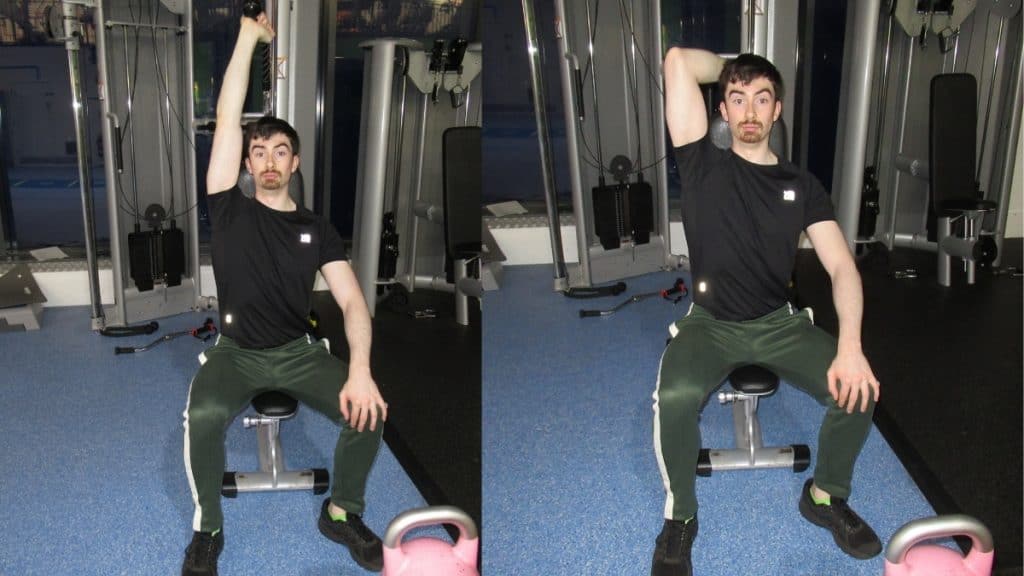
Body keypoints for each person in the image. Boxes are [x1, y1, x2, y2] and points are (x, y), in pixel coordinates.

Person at [651, 47, 883, 576]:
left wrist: (851, 348)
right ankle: (681, 518)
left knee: (858, 389)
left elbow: (843, 269)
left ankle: (824, 496)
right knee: (676, 396)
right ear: (723, 111)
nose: (750, 112)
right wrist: (735, 64)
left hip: (778, 322)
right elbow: (678, 60)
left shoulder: (802, 186)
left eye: (762, 99)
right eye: (738, 99)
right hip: (709, 321)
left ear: (777, 110)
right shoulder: (699, 161)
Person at [181, 11, 388, 576]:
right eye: (259, 151)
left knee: (368, 412)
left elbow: (350, 302)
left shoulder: (317, 229)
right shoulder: (228, 208)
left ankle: (341, 513)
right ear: (247, 164)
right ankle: (208, 531)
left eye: (280, 152)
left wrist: (360, 369)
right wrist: (249, 38)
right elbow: (227, 117)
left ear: (294, 163)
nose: (268, 161)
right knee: (202, 417)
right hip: (235, 352)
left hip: (298, 352)